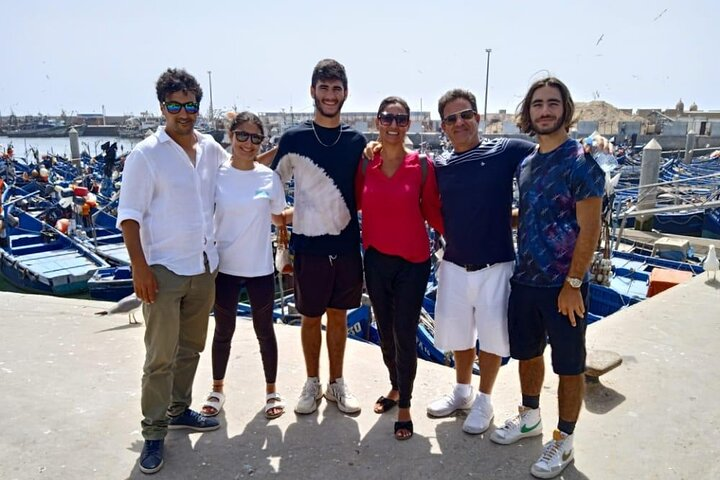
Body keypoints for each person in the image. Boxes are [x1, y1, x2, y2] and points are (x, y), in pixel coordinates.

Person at [489, 77, 604, 479]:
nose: (544, 110)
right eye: (537, 104)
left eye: (552, 103)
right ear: (529, 112)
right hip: (526, 280)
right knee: (528, 354)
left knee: (569, 366)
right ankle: (530, 417)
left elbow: (591, 229)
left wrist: (574, 284)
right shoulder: (527, 163)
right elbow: (538, 214)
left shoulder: (582, 161)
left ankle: (565, 439)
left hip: (564, 285)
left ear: (565, 110)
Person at [117, 68, 226, 475]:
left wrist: (285, 151)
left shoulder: (211, 148)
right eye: (175, 105)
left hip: (203, 267)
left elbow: (239, 172)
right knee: (159, 357)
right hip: (162, 270)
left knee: (191, 348)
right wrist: (139, 269)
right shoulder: (146, 155)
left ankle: (180, 409)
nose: (184, 113)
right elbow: (129, 217)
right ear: (162, 107)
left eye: (190, 105)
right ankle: (153, 433)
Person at [425, 89, 536, 435]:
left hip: (497, 265)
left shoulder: (507, 150)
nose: (460, 123)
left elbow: (552, 153)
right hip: (454, 263)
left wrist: (590, 148)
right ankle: (462, 391)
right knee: (459, 333)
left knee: (492, 336)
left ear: (478, 117)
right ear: (442, 126)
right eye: (451, 118)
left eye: (466, 115)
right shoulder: (439, 165)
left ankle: (485, 399)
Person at [268, 59, 366, 415]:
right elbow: (270, 184)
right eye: (323, 88)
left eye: (336, 88)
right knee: (309, 318)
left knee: (338, 317)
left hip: (345, 245)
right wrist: (282, 220)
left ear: (345, 93)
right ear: (313, 91)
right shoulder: (294, 138)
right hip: (307, 245)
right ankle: (312, 383)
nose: (330, 95)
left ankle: (337, 383)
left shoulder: (357, 141)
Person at [356, 96, 443, 440]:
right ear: (377, 122)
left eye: (400, 119)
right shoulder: (365, 164)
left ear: (409, 124)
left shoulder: (421, 165)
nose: (393, 125)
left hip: (413, 263)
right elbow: (347, 205)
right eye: (387, 119)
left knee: (405, 334)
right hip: (376, 261)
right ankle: (395, 386)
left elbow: (434, 213)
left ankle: (404, 403)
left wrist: (471, 237)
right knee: (385, 332)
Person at [200, 111, 287, 420]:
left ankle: (271, 390)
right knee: (223, 331)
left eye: (255, 138)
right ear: (231, 136)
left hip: (260, 268)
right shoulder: (216, 175)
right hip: (224, 267)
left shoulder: (269, 177)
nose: (248, 143)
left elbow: (278, 214)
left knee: (266, 332)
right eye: (242, 136)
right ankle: (217, 388)